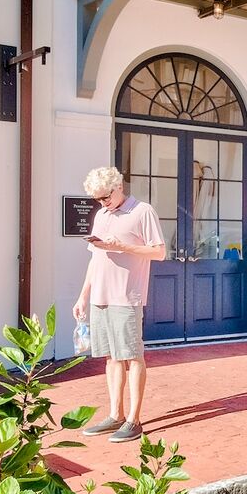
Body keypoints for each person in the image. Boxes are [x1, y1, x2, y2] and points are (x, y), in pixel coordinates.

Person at [73, 167, 167, 443]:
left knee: (132, 355)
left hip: (127, 295)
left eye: (105, 197)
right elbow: (95, 258)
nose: (102, 203)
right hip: (101, 296)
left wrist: (124, 247)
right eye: (97, 199)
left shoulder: (143, 211)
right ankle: (115, 414)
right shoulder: (101, 216)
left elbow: (159, 252)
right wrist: (83, 296)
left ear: (118, 187)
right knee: (111, 357)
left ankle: (133, 420)